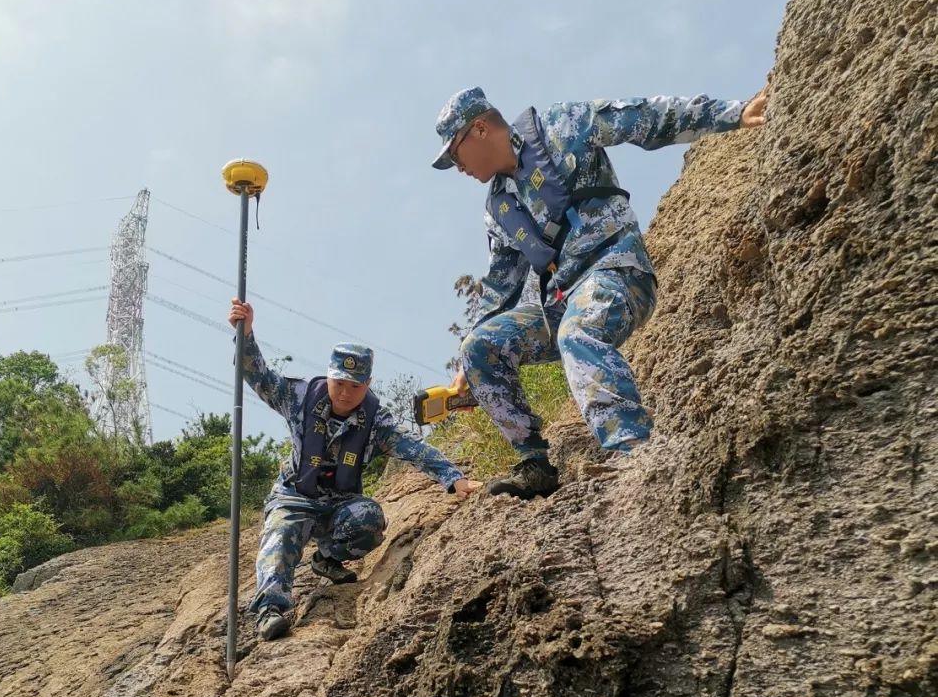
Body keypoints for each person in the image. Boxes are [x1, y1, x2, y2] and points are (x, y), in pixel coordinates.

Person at [431, 84, 768, 497]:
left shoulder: (561, 126)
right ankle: (535, 464)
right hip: (563, 297)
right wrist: (470, 354)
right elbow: (501, 283)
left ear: (479, 129)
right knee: (479, 346)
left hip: (617, 271)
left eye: (455, 152)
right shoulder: (498, 207)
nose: (457, 166)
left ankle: (634, 452)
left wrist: (735, 113)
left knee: (578, 330)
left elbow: (647, 117)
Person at [228, 299, 482, 640]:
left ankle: (326, 558)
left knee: (369, 519)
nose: (346, 393)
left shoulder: (376, 421)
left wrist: (454, 479)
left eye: (356, 386)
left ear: (369, 383)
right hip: (294, 497)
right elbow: (257, 375)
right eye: (340, 383)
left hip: (339, 505)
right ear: (329, 375)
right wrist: (246, 334)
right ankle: (270, 610)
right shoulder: (299, 397)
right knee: (279, 538)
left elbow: (413, 448)